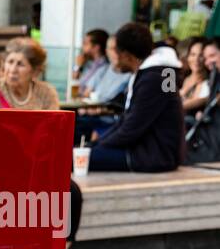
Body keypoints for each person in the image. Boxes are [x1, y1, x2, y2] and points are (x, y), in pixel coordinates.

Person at [88, 22, 184, 173]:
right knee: (78, 154)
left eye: (116, 51)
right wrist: (96, 144)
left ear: (126, 55)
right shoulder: (162, 72)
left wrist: (98, 147)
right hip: (153, 153)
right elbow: (129, 120)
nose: (113, 57)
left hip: (152, 156)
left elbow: (131, 128)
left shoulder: (154, 79)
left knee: (71, 159)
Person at [0, 37, 60, 111]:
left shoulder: (46, 93)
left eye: (20, 64)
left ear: (35, 71)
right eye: (10, 62)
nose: (12, 70)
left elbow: (53, 126)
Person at [75, 29, 111, 96]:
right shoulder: (87, 62)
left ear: (96, 47)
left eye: (85, 44)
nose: (82, 47)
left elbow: (87, 92)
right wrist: (78, 66)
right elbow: (74, 78)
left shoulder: (104, 67)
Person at [181, 36, 210, 118]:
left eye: (201, 55)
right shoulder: (185, 78)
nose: (196, 59)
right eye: (192, 54)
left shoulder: (208, 84)